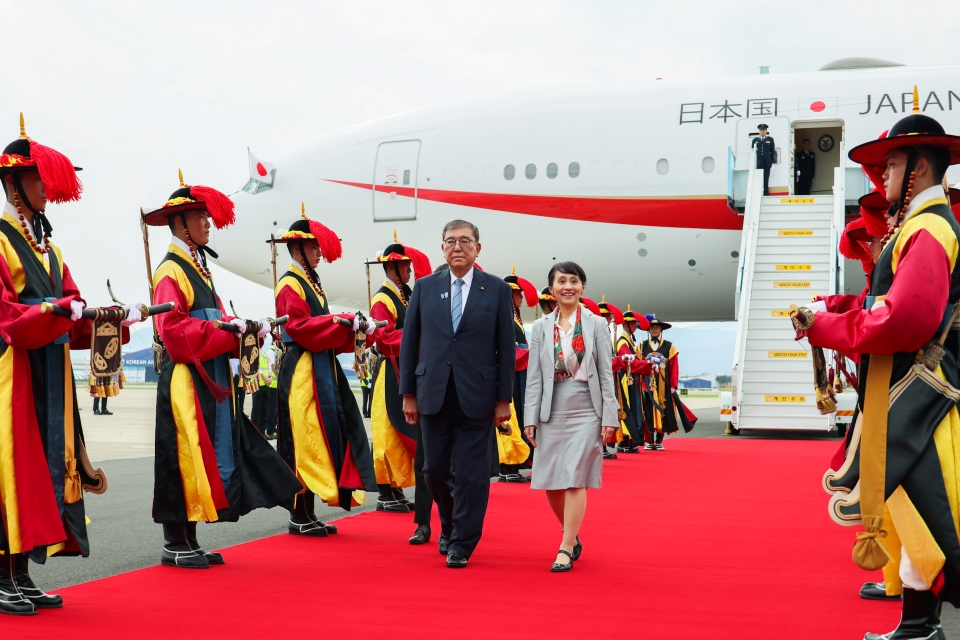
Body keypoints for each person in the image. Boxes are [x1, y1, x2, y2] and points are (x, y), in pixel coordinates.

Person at [796, 98, 960, 640]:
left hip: (921, 397)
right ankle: (918, 627)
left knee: (935, 515)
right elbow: (885, 303)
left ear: (918, 167)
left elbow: (904, 321)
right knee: (918, 513)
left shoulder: (929, 229)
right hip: (915, 392)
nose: (881, 174)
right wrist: (834, 308)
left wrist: (825, 327)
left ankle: (920, 626)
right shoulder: (922, 225)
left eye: (890, 164)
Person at [0, 115, 137, 614]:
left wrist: (111, 323)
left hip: (50, 375)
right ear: (14, 183)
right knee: (12, 472)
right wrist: (52, 312)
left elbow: (75, 314)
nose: (47, 188)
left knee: (40, 471)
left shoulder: (51, 250)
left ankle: (20, 573)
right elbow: (7, 317)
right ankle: (2, 573)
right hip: (12, 373)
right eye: (38, 179)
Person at [146, 172, 301, 569]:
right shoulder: (170, 270)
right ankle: (174, 541)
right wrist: (222, 330)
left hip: (210, 375)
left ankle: (190, 539)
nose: (208, 224)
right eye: (202, 218)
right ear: (181, 224)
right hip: (187, 378)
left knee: (203, 455)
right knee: (183, 455)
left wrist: (243, 328)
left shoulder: (198, 267)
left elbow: (212, 319)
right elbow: (174, 331)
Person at [399, 219, 515, 569]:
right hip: (433, 392)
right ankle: (449, 523)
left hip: (477, 395)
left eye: (465, 241)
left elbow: (505, 348)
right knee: (434, 469)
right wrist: (408, 393)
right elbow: (409, 343)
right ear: (442, 248)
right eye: (450, 241)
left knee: (471, 474)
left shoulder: (494, 289)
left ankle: (463, 541)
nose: (457, 247)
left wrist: (504, 399)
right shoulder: (424, 288)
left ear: (478, 248)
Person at [273, 204, 378, 538]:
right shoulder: (290, 284)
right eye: (314, 247)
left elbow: (321, 330)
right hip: (303, 368)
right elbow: (303, 328)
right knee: (305, 440)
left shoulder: (311, 283)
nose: (320, 253)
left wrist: (353, 329)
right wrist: (341, 322)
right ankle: (299, 514)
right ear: (297, 248)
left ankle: (308, 513)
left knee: (323, 436)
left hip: (320, 366)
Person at [522, 261, 619, 572]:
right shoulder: (540, 327)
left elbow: (606, 374)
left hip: (587, 406)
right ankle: (572, 534)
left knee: (576, 477)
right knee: (550, 480)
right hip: (551, 405)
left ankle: (565, 546)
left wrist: (609, 415)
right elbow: (534, 377)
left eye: (573, 281)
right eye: (561, 281)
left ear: (583, 287)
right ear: (552, 289)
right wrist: (530, 418)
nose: (568, 286)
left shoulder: (597, 325)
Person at [367, 232, 436, 548]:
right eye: (404, 266)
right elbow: (384, 338)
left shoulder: (404, 294)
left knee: (400, 434)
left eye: (408, 266)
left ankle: (394, 488)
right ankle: (385, 490)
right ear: (392, 269)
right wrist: (415, 337)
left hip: (407, 367)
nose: (409, 270)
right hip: (391, 369)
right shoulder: (383, 299)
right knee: (388, 431)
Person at [497, 266, 537, 483]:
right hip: (509, 374)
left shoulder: (515, 319)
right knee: (509, 418)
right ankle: (507, 466)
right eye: (518, 293)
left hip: (519, 373)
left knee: (519, 417)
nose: (521, 297)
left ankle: (514, 463)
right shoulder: (505, 318)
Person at [640, 316, 697, 450]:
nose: (655, 329)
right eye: (652, 327)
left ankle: (659, 440)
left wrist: (672, 385)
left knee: (664, 410)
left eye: (657, 327)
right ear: (649, 329)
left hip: (663, 385)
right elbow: (638, 366)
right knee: (648, 411)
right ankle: (649, 441)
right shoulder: (641, 347)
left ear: (661, 330)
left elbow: (674, 367)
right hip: (647, 385)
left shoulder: (669, 346)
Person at [613, 306, 652, 455]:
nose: (636, 326)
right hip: (626, 379)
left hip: (631, 379)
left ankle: (629, 442)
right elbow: (629, 363)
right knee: (627, 410)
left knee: (633, 410)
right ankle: (624, 442)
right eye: (634, 324)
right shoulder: (623, 341)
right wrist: (647, 364)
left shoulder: (627, 340)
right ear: (627, 325)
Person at [250, 338, 278, 438]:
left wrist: (270, 377)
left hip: (266, 384)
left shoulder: (263, 352)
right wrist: (266, 378)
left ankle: (261, 432)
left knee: (264, 409)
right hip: (258, 383)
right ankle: (253, 431)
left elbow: (268, 366)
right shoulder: (254, 351)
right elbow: (256, 368)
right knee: (257, 409)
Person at [752, 124, 776, 196]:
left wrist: (772, 163)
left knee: (766, 179)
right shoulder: (755, 140)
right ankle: (759, 193)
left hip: (767, 163)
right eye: (761, 130)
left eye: (764, 130)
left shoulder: (770, 139)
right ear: (759, 131)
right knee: (759, 179)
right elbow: (753, 152)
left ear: (766, 131)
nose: (762, 132)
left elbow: (772, 151)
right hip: (759, 163)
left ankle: (766, 194)